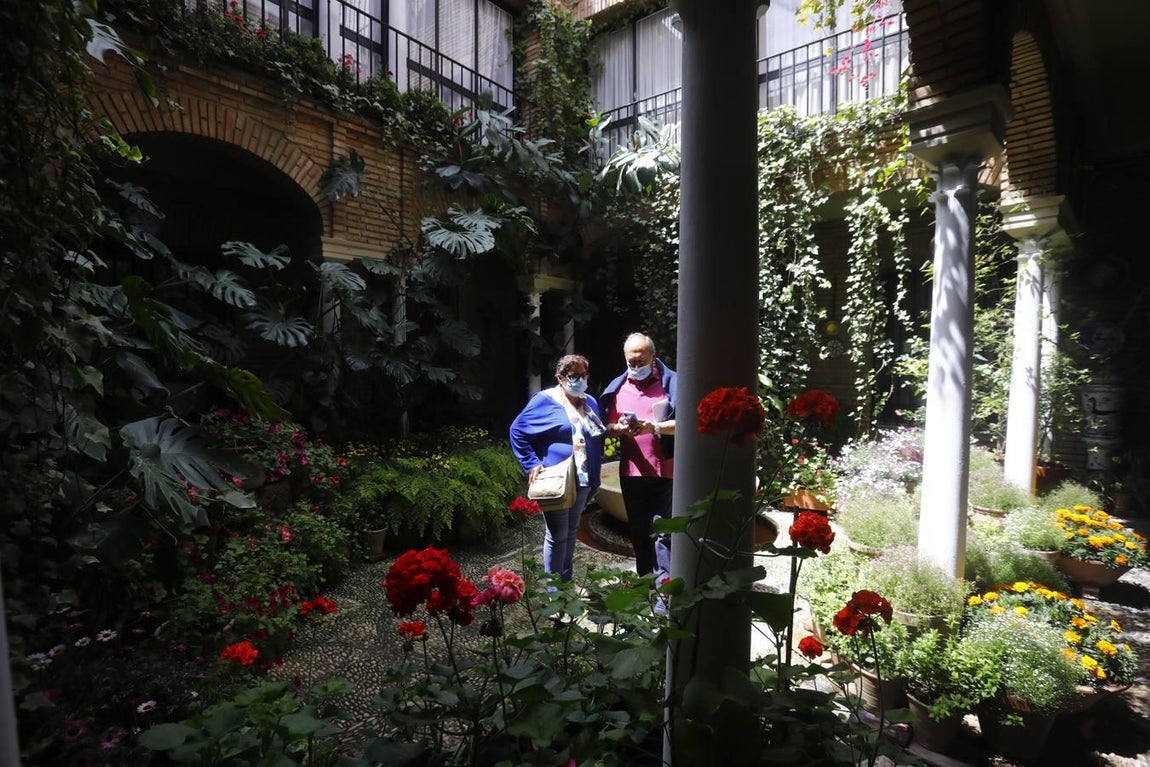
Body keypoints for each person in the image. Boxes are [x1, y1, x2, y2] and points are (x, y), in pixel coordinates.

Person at [510, 354, 606, 583]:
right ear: (560, 377)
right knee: (556, 535)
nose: (580, 380)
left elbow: (596, 434)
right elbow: (517, 430)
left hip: (583, 478)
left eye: (584, 375)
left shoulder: (589, 402)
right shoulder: (546, 400)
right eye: (574, 376)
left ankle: (565, 582)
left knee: (572, 532)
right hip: (558, 478)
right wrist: (532, 463)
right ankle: (554, 592)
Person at [599, 333, 676, 586]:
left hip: (667, 471)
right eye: (631, 362)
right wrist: (619, 428)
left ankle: (664, 593)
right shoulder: (618, 387)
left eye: (641, 361)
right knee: (640, 533)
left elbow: (687, 424)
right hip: (632, 473)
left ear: (653, 356)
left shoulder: (673, 383)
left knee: (664, 534)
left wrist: (653, 427)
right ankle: (646, 584)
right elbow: (605, 426)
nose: (636, 366)